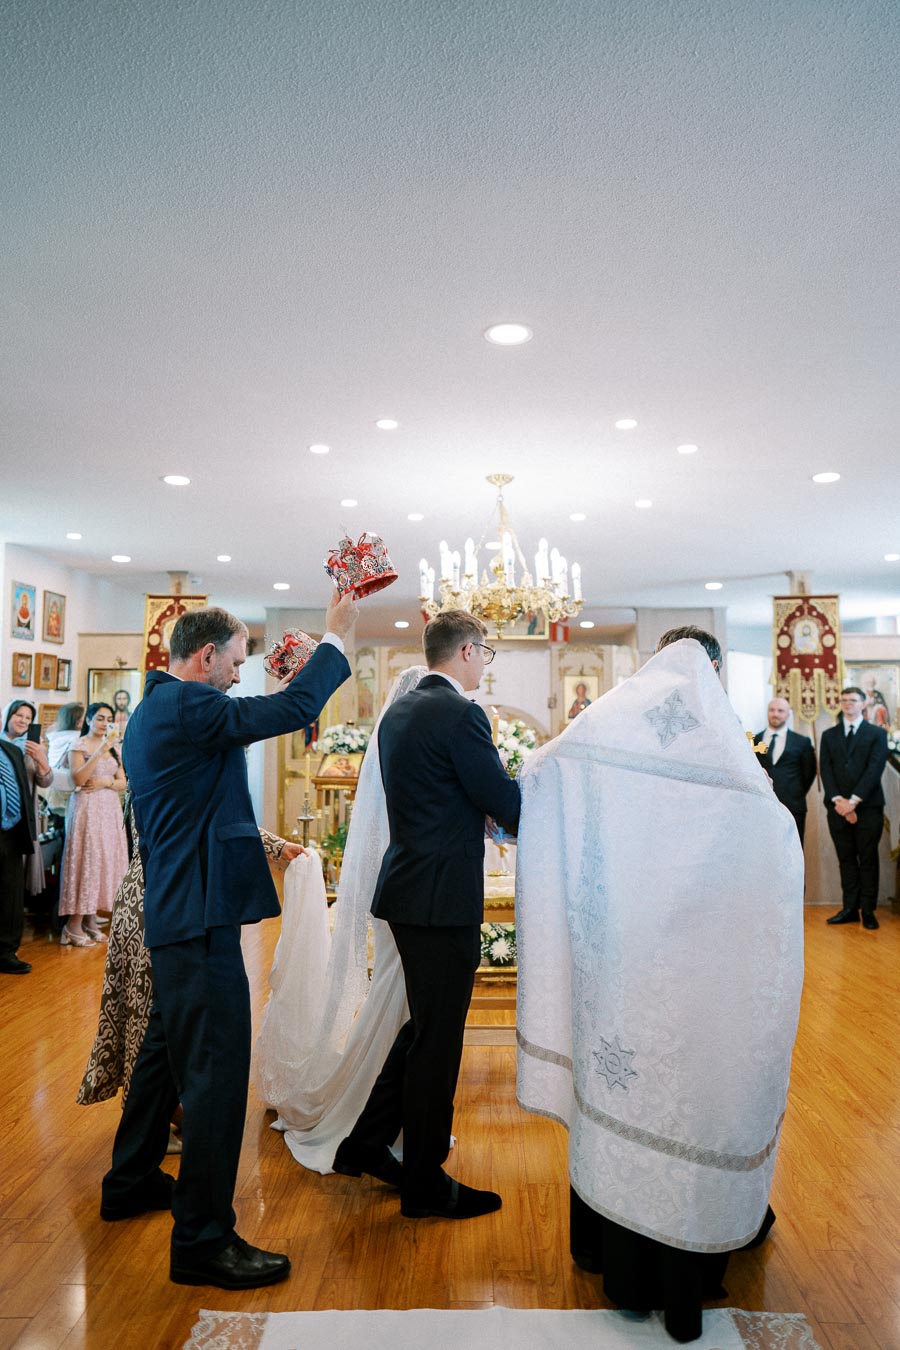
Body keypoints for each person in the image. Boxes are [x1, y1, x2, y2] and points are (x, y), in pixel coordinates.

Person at [516, 625, 804, 1342]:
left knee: (624, 1095)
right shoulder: (727, 751)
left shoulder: (610, 723)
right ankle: (688, 1284)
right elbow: (772, 838)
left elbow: (542, 768)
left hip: (627, 960)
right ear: (710, 669)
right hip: (705, 972)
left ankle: (620, 1273)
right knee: (694, 1106)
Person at [100, 592, 356, 1291]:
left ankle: (128, 1181)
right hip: (199, 915)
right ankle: (203, 1242)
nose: (238, 676)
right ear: (206, 656)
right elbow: (289, 714)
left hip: (176, 908)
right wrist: (335, 640)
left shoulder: (156, 708)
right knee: (215, 1078)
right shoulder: (188, 704)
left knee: (164, 1050)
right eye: (236, 663)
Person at [333, 611, 520, 1220]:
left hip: (409, 887)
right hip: (442, 899)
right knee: (438, 1039)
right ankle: (424, 1181)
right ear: (467, 651)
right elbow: (502, 799)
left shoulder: (399, 712)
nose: (486, 664)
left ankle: (364, 1142)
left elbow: (436, 792)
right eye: (486, 652)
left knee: (423, 1028)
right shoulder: (463, 713)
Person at [255, 666, 427, 1174]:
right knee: (400, 1004)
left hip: (397, 888)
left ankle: (391, 1113)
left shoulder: (396, 750)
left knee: (402, 1005)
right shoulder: (412, 757)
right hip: (411, 895)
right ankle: (373, 1114)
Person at [79, 816, 302, 1111]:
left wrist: (277, 845)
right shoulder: (169, 776)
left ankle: (160, 1113)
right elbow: (209, 820)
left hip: (146, 898)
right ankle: (151, 1116)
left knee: (157, 1018)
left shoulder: (151, 772)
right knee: (150, 1019)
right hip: (155, 903)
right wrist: (275, 845)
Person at [58, 703, 128, 945]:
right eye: (99, 718)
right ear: (88, 719)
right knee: (86, 859)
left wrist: (106, 781)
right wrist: (99, 750)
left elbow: (124, 782)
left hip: (109, 809)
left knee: (103, 861)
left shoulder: (115, 748)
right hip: (86, 808)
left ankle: (91, 920)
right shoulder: (78, 745)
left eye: (108, 719)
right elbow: (78, 778)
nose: (104, 723)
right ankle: (72, 925)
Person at [822, 687, 889, 930]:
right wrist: (839, 800)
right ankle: (850, 908)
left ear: (863, 704)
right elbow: (826, 770)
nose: (847, 704)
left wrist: (854, 801)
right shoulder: (829, 735)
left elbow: (874, 769)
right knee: (846, 859)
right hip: (837, 808)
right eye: (844, 700)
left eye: (853, 700)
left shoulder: (876, 734)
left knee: (868, 858)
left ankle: (868, 910)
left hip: (868, 807)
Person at [0, 702, 53, 973]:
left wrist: (41, 759)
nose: (22, 720)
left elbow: (46, 781)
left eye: (27, 717)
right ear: (8, 717)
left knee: (11, 890)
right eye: (18, 715)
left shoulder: (33, 748)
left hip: (16, 824)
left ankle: (7, 950)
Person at [753, 697, 817, 841]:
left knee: (794, 849)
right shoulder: (755, 741)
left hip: (793, 806)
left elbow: (808, 774)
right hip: (762, 806)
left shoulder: (802, 742)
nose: (775, 714)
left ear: (788, 714)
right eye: (772, 710)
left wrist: (794, 792)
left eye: (780, 711)